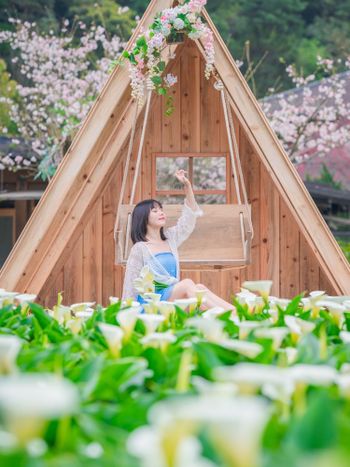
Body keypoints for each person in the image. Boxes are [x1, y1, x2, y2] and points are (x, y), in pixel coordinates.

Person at [122, 169, 235, 311]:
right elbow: (130, 285)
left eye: (161, 209)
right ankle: (225, 315)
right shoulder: (140, 248)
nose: (161, 212)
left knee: (199, 288)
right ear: (143, 218)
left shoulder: (170, 239)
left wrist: (187, 187)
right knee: (187, 284)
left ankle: (234, 312)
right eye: (155, 211)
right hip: (152, 304)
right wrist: (126, 313)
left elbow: (188, 221)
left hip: (170, 298)